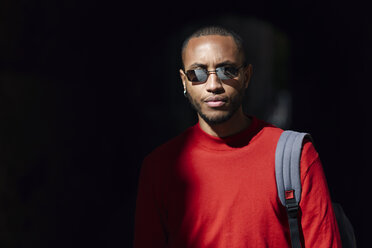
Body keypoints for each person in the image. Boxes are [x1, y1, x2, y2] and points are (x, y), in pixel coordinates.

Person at [134, 26, 341, 247]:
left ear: (246, 76)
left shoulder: (295, 155)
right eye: (198, 74)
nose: (213, 85)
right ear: (184, 81)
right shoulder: (159, 167)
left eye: (227, 70)